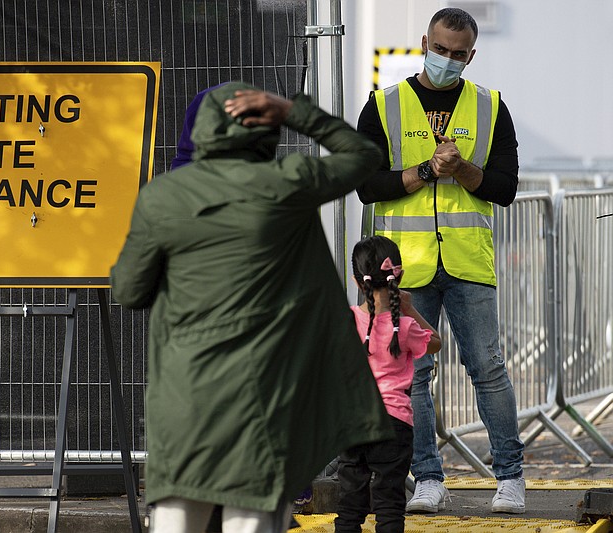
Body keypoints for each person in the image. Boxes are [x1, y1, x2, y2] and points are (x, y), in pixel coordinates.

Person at [111, 82, 394, 533]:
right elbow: (363, 155)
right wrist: (292, 110)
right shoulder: (287, 184)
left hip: (184, 402)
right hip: (264, 401)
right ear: (265, 128)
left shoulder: (162, 197)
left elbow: (127, 290)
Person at [355, 7, 526, 514]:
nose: (447, 59)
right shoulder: (383, 105)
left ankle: (510, 478)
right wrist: (430, 169)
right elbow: (368, 186)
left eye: (458, 54)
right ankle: (427, 478)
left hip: (468, 262)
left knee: (488, 369)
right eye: (440, 49)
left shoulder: (491, 107)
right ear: (424, 41)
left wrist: (463, 170)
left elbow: (505, 187)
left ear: (471, 54)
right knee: (413, 376)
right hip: (404, 267)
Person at [335, 235, 441, 533]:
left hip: (353, 420)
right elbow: (436, 342)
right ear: (399, 275)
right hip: (394, 423)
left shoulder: (345, 320)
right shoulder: (404, 327)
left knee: (349, 505)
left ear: (357, 282)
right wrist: (408, 308)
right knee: (389, 506)